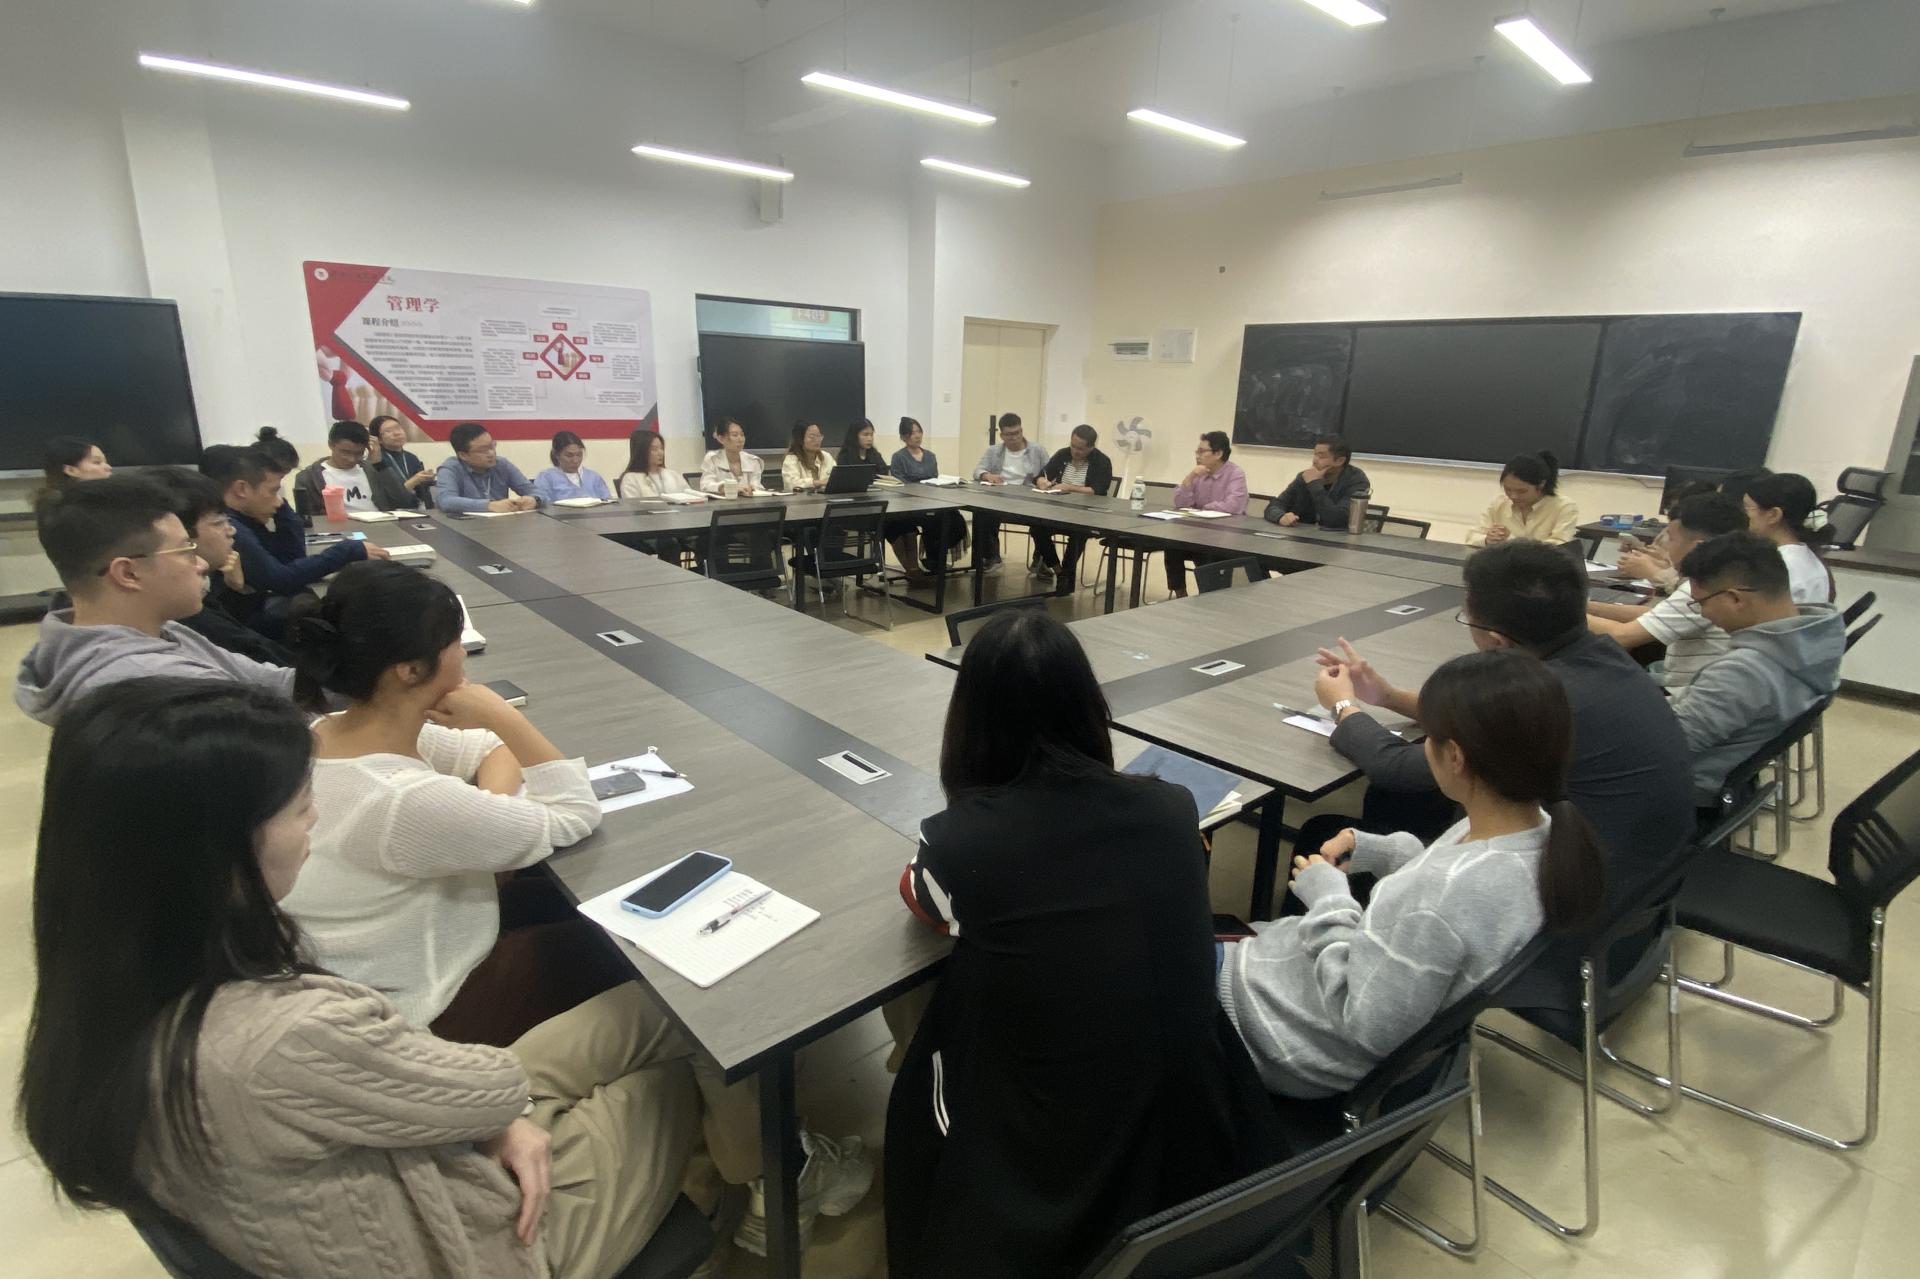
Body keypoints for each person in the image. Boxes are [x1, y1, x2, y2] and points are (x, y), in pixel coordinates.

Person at [17, 678, 864, 1278]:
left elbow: (447, 1090)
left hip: (408, 1149)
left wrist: (486, 1113)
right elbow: (486, 1085)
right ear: (215, 850)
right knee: (697, 1030)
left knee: (660, 1006)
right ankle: (777, 1186)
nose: (315, 815)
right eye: (298, 804)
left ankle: (756, 1160)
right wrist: (498, 1117)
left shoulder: (115, 993)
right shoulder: (275, 1038)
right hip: (494, 1242)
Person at [887, 610, 1284, 1277]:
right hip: (1195, 1136)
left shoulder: (958, 841)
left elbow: (918, 899)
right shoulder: (1173, 806)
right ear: (1088, 708)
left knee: (936, 1005)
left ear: (969, 723)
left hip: (1050, 1174)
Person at [1221, 649, 1606, 1098]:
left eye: (1428, 736)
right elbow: (1450, 896)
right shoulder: (1533, 829)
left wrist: (1329, 899)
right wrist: (1385, 851)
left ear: (1455, 756)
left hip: (1293, 1041)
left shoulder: (1444, 894)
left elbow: (1366, 1026)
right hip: (1312, 991)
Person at [1309, 540, 1693, 908]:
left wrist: (1342, 705)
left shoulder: (1541, 698)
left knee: (1334, 827)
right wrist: (1387, 696)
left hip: (1568, 907)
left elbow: (1394, 767)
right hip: (1639, 887)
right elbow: (1481, 719)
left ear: (1496, 642)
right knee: (1407, 802)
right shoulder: (1603, 658)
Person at [13, 477, 295, 724]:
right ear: (128, 573)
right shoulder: (150, 683)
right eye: (186, 551)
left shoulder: (157, 629)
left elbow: (272, 682)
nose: (200, 564)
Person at [1670, 532, 1845, 811]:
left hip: (1680, 790)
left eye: (1701, 602)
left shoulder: (1743, 672)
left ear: (1734, 598)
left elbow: (1664, 747)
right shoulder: (1815, 638)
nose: (1703, 614)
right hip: (1730, 776)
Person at [204, 445, 385, 635]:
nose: (278, 500)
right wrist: (347, 550)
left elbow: (292, 559)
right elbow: (282, 579)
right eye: (273, 491)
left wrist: (284, 512)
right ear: (242, 489)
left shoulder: (246, 518)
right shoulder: (232, 528)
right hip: (250, 625)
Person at [1586, 492, 1748, 693]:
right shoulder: (1733, 574)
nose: (1666, 549)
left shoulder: (1705, 588)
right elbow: (1653, 615)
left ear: (1698, 548)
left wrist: (1561, 608)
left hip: (1685, 696)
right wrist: (1588, 606)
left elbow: (1622, 636)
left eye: (1671, 539)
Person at [145, 467, 293, 666]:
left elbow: (246, 635)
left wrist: (237, 589)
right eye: (218, 522)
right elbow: (249, 650)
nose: (231, 530)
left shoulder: (209, 583)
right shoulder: (181, 609)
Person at [1030, 423, 1114, 595]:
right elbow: (1041, 475)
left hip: (1085, 514)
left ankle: (1067, 574)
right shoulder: (1063, 454)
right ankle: (1059, 570)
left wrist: (1069, 488)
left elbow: (1097, 491)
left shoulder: (1102, 461)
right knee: (1037, 528)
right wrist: (1042, 481)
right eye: (1073, 446)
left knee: (1078, 533)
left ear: (1091, 447)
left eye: (1080, 449)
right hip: (1058, 510)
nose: (1075, 451)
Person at [1165, 430, 1250, 598]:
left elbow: (1233, 506)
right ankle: (1180, 594)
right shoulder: (1198, 473)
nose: (1197, 456)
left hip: (1225, 536)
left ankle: (1208, 597)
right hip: (1197, 533)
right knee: (1172, 546)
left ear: (1218, 454)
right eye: (1197, 451)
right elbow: (1180, 504)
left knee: (1207, 552)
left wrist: (1203, 508)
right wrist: (1190, 477)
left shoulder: (1235, 474)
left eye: (1202, 451)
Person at [1742, 471, 1836, 603]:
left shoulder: (1777, 566)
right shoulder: (1808, 554)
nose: (1743, 515)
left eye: (1747, 508)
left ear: (1773, 515)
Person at [969, 412, 1044, 576]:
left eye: (1017, 433)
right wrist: (987, 475)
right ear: (1001, 435)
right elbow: (977, 471)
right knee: (982, 514)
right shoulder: (994, 451)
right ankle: (991, 557)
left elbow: (1049, 471)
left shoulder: (1036, 450)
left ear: (1022, 431)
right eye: (1009, 434)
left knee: (1044, 520)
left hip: (1030, 501)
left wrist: (1043, 481)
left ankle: (1040, 559)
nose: (1014, 438)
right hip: (1000, 499)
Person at [293, 420, 411, 518]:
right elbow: (308, 518)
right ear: (331, 445)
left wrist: (379, 464)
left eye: (359, 453)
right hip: (338, 530)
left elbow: (405, 502)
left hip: (380, 525)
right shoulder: (308, 477)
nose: (352, 459)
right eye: (345, 452)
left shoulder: (373, 470)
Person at [614, 430, 698, 566]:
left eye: (661, 448)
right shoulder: (631, 478)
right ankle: (673, 578)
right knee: (669, 543)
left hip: (679, 525)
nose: (660, 453)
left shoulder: (671, 474)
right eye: (654, 449)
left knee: (706, 537)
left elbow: (690, 497)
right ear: (641, 451)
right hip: (649, 531)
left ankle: (706, 573)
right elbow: (633, 511)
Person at [890, 417, 962, 575]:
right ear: (903, 437)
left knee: (953, 517)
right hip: (910, 504)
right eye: (912, 433)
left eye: (919, 431)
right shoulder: (899, 457)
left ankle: (937, 558)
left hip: (931, 500)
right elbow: (899, 483)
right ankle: (931, 561)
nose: (917, 436)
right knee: (932, 520)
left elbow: (935, 478)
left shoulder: (930, 456)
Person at [1466, 451, 1579, 546]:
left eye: (1522, 491)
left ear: (1541, 484)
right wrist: (1487, 540)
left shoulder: (1564, 507)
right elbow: (1472, 536)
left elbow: (1560, 546)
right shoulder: (1500, 503)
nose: (1513, 496)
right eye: (1508, 489)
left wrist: (1510, 540)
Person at [1265, 435, 1372, 530]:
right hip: (1302, 537)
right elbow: (1274, 505)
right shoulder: (1304, 477)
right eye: (1315, 455)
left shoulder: (1356, 480)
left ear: (1340, 461)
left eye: (1321, 456)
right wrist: (1280, 517)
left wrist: (1314, 484)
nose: (1315, 460)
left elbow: (1337, 520)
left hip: (1338, 540)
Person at [435, 423, 542, 514]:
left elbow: (537, 492)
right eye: (483, 450)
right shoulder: (450, 469)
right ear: (463, 455)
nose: (491, 453)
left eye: (492, 446)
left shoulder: (502, 464)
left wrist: (534, 499)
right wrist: (489, 505)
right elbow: (446, 501)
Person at [369, 413, 436, 507]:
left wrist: (426, 479)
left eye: (398, 428)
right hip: (393, 510)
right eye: (388, 431)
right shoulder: (377, 461)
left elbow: (422, 493)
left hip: (417, 508)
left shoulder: (411, 457)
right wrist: (415, 480)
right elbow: (388, 497)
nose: (397, 433)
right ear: (378, 439)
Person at [533, 429, 615, 502]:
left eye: (579, 455)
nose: (575, 460)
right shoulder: (546, 478)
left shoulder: (593, 477)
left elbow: (608, 502)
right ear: (556, 455)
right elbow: (543, 505)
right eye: (569, 456)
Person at [699, 418, 766, 495]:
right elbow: (705, 485)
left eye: (742, 435)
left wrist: (752, 489)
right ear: (721, 439)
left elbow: (757, 487)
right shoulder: (712, 458)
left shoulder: (753, 460)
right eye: (735, 435)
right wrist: (727, 487)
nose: (740, 439)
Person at [39, 435, 111, 497]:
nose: (108, 467)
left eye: (106, 462)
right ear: (70, 470)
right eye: (97, 462)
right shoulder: (68, 506)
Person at [781, 421, 835, 492]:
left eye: (819, 436)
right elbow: (791, 484)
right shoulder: (791, 459)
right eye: (812, 437)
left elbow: (837, 478)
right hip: (801, 499)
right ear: (800, 439)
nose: (817, 440)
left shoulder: (826, 456)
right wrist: (818, 483)